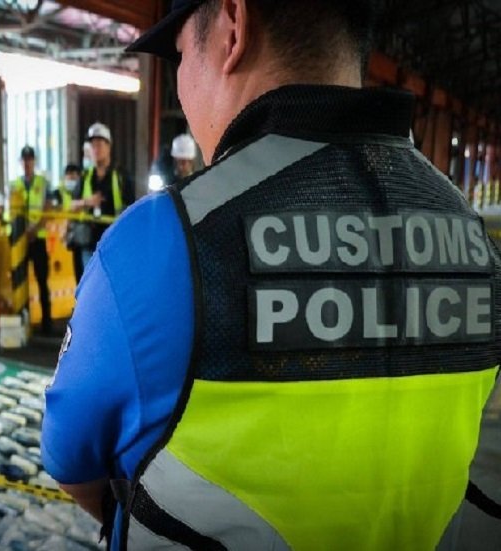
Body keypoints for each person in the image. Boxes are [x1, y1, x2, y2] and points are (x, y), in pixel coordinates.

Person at [42, 1, 501, 549]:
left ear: (232, 27)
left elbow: (73, 463)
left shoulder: (166, 240)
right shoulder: (474, 237)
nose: (181, 88)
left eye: (181, 56)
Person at [70, 123, 135, 279]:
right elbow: (72, 206)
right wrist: (87, 202)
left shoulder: (121, 176)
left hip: (114, 245)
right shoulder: (86, 176)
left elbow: (132, 209)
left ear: (109, 147)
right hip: (89, 246)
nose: (95, 149)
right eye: (92, 145)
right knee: (91, 288)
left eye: (99, 144)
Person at [8, 145, 53, 335]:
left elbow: (48, 209)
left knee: (42, 281)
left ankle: (47, 325)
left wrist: (34, 229)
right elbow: (10, 212)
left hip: (38, 239)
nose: (27, 163)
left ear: (34, 162)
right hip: (19, 241)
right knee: (19, 281)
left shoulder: (43, 183)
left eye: (30, 160)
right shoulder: (14, 185)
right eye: (24, 160)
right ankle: (23, 323)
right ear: (21, 162)